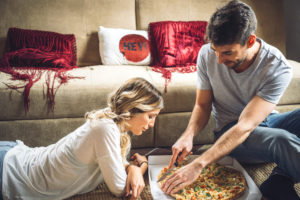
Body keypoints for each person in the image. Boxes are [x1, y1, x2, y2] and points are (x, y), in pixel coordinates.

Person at [160, 1, 300, 200]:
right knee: (281, 141)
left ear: (250, 41)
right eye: (215, 50)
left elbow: (247, 124)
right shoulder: (206, 54)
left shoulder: (277, 67)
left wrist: (198, 164)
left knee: (282, 135)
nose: (218, 60)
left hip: (258, 124)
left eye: (227, 53)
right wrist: (188, 135)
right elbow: (202, 104)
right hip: (229, 134)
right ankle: (283, 175)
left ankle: (279, 180)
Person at [0, 77, 164, 200]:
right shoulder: (105, 128)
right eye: (150, 116)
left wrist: (130, 168)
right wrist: (140, 167)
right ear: (133, 109)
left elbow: (114, 161)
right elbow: (121, 189)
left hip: (15, 158)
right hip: (11, 173)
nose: (151, 124)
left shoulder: (111, 121)